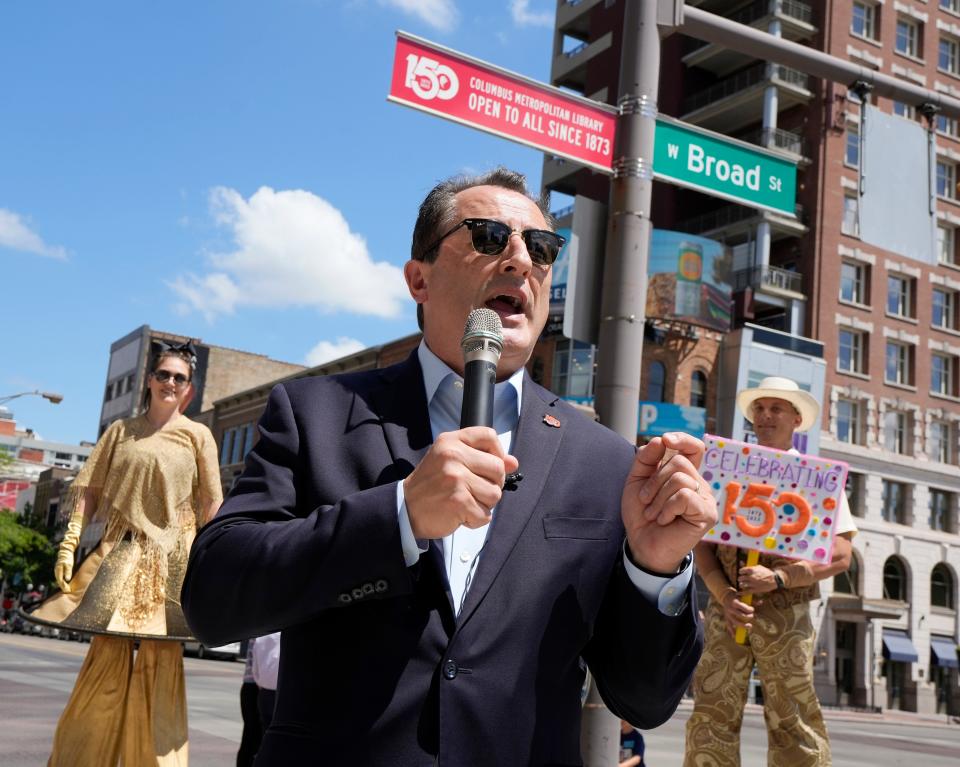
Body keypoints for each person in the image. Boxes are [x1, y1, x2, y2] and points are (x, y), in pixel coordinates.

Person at [182, 167, 718, 766]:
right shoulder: (318, 416)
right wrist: (398, 516)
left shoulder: (606, 461)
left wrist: (656, 569)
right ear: (419, 279)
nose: (520, 260)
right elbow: (212, 598)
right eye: (489, 237)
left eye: (541, 248)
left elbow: (644, 699)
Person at [30, 341, 223, 767]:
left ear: (189, 389)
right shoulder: (121, 431)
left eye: (180, 377)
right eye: (163, 374)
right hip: (120, 554)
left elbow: (212, 504)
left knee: (161, 669)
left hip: (173, 560)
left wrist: (211, 564)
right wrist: (69, 541)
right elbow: (90, 490)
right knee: (105, 663)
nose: (170, 382)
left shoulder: (198, 436)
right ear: (149, 381)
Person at [683, 376, 857, 767]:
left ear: (796, 419)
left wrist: (779, 578)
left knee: (792, 716)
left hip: (788, 616)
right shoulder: (726, 468)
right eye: (759, 409)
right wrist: (724, 596)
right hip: (725, 611)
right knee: (711, 713)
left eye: (776, 408)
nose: (765, 416)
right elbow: (703, 544)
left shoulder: (818, 479)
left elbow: (842, 554)